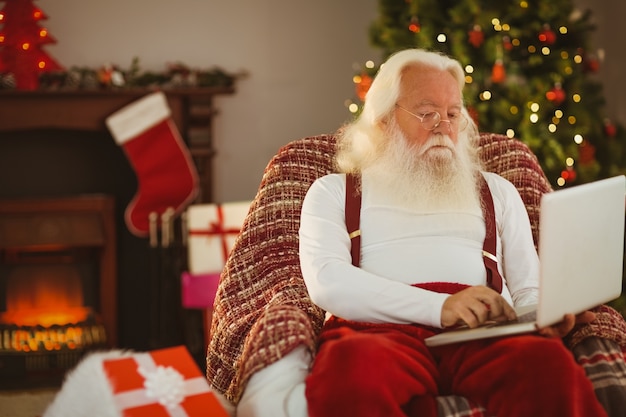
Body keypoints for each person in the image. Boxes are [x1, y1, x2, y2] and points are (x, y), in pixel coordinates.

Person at [235, 48, 609, 417]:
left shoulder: (497, 190)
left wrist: (544, 314)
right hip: (376, 332)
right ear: (382, 121)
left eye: (452, 114)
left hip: (483, 331)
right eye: (427, 113)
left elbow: (528, 288)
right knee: (352, 371)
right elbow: (328, 283)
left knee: (546, 365)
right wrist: (440, 307)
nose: (443, 127)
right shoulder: (334, 191)